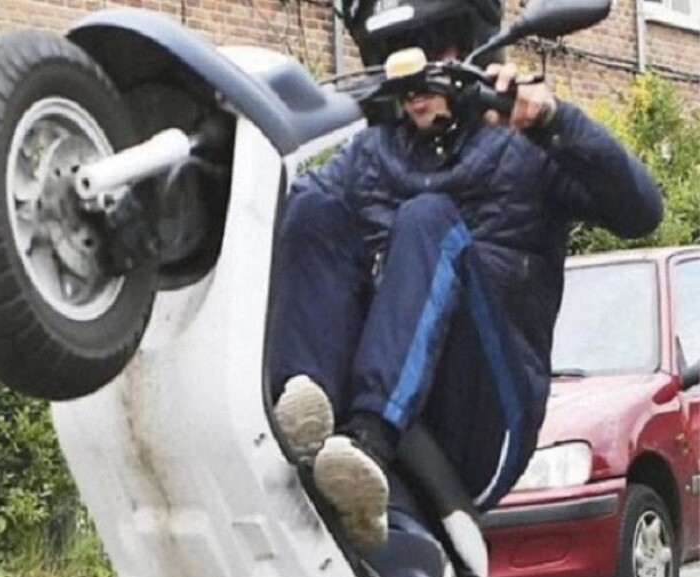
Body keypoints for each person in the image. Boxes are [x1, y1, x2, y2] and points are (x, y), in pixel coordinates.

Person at [267, 0, 664, 549]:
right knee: (310, 207)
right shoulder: (371, 157)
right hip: (390, 407)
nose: (415, 70)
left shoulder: (526, 146)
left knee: (427, 218)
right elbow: (293, 223)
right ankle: (303, 414)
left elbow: (642, 211)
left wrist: (553, 120)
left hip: (488, 416)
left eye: (433, 48)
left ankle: (369, 442)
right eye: (395, 53)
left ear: (470, 45)